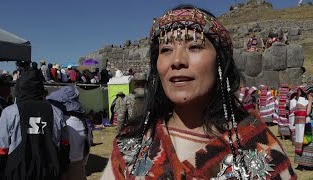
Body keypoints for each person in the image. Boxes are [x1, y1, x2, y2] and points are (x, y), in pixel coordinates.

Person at [101, 5, 296, 179]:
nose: (177, 60)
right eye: (166, 49)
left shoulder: (257, 146)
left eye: (194, 46)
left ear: (220, 62)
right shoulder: (133, 145)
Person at [0, 68, 70, 180]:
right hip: (49, 172)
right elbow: (65, 145)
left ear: (19, 88)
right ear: (40, 88)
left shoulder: (9, 112)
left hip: (17, 173)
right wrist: (62, 168)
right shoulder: (56, 112)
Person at [46, 86, 91, 180]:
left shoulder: (64, 121)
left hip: (67, 166)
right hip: (79, 164)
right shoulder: (82, 121)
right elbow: (88, 144)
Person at [294, 85, 313, 170]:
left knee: (306, 145)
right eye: (311, 92)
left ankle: (304, 164)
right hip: (306, 126)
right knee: (306, 145)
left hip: (306, 126)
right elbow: (307, 113)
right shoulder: (303, 101)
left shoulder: (302, 100)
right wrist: (310, 101)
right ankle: (304, 165)